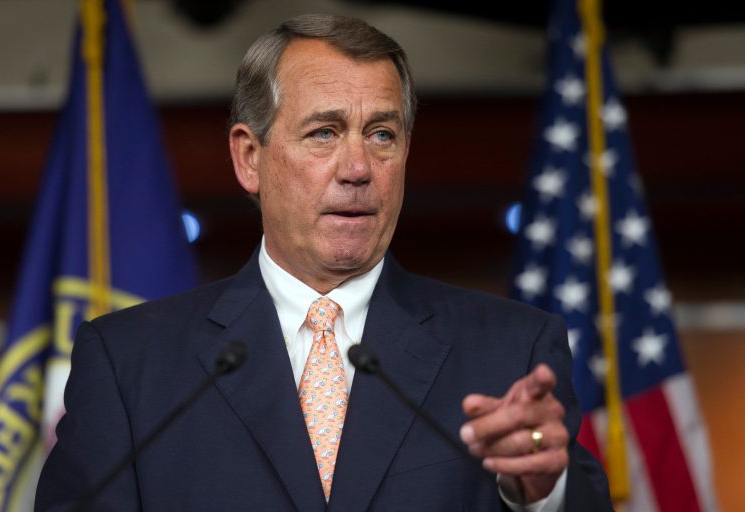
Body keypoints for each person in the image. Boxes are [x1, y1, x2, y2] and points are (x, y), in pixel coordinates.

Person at [36, 13, 611, 511]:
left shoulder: (511, 351)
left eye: (382, 134)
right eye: (324, 133)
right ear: (249, 158)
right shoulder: (129, 365)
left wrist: (543, 491)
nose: (358, 167)